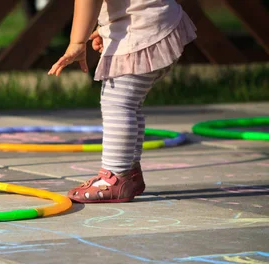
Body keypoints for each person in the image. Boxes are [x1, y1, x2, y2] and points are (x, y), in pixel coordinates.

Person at [48, 0, 197, 203]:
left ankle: (115, 176)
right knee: (130, 104)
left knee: (118, 104)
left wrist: (77, 42)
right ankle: (129, 173)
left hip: (141, 31)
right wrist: (107, 27)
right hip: (155, 24)